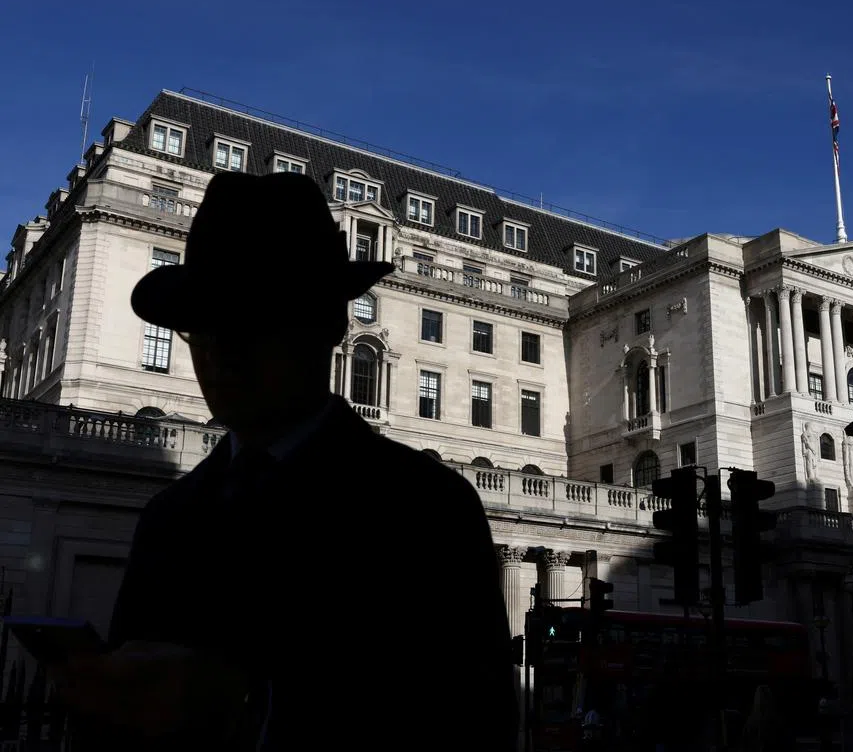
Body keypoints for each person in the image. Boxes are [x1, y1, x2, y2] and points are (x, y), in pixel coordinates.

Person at [50, 172, 517, 750]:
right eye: (203, 325)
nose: (219, 351)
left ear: (329, 325)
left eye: (249, 318)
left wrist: (245, 702)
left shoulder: (424, 508)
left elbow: (474, 723)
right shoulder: (169, 516)